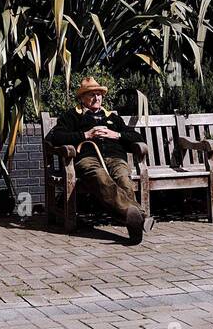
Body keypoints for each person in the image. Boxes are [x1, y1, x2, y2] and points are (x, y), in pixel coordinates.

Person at [45, 77, 155, 243]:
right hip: (88, 159)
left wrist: (116, 134)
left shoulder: (113, 118)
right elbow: (56, 137)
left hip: (116, 158)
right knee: (102, 179)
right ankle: (140, 218)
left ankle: (134, 222)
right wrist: (85, 135)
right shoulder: (73, 116)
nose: (96, 98)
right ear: (82, 98)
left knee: (124, 180)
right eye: (91, 95)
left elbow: (137, 137)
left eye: (99, 94)